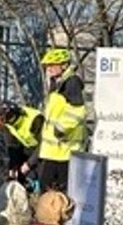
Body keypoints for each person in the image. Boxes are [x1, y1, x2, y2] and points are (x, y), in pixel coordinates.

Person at [37, 47, 88, 193]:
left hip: (64, 150)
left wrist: (60, 129)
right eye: (47, 66)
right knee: (46, 191)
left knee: (60, 194)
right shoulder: (57, 84)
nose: (49, 69)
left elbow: (77, 111)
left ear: (64, 65)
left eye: (52, 65)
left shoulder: (71, 83)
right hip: (52, 151)